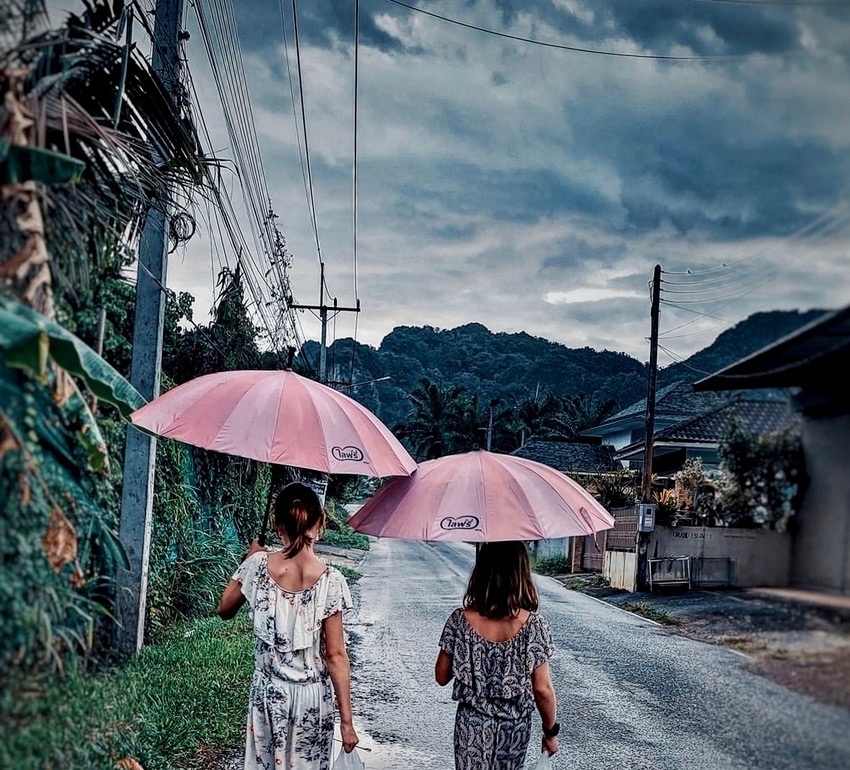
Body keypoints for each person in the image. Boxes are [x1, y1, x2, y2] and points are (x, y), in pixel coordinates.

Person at [217, 481, 359, 770]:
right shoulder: (331, 581)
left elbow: (224, 609)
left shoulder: (258, 565)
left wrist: (250, 557)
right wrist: (347, 722)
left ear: (278, 524)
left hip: (268, 696)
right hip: (312, 701)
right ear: (320, 523)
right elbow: (335, 655)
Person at [435, 541, 559, 770]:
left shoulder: (459, 621)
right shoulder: (534, 626)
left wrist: (471, 658)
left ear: (481, 572)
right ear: (522, 573)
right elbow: (542, 689)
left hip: (471, 726)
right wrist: (550, 732)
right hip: (513, 727)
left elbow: (442, 676)